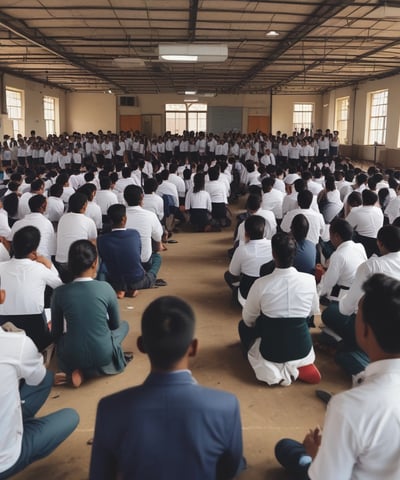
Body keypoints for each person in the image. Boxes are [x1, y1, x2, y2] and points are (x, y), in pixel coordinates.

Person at [89, 296, 245, 480]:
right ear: (193, 348)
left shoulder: (110, 408)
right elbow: (229, 469)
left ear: (141, 345)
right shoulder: (225, 406)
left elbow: (100, 475)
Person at [275, 274, 400, 480]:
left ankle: (307, 461)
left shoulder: (349, 406)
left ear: (365, 330)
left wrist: (317, 455)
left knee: (286, 448)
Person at [238, 232, 321, 386]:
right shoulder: (310, 281)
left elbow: (248, 319)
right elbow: (312, 312)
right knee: (298, 325)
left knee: (243, 326)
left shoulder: (261, 284)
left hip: (272, 350)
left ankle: (281, 370)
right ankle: (297, 366)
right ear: (295, 254)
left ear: (273, 254)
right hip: (301, 346)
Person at [0, 320, 79, 479]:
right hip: (5, 460)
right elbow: (38, 378)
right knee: (71, 416)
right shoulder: (15, 343)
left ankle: (15, 423)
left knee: (45, 379)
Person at [322, 225, 400, 378]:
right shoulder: (362, 253)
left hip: (372, 326)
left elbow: (346, 309)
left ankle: (365, 363)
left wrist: (342, 301)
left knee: (330, 313)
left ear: (380, 243)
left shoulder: (371, 266)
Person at [51, 240, 130, 387]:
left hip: (71, 354)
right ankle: (90, 371)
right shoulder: (106, 288)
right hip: (103, 352)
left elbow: (56, 334)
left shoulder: (59, 293)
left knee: (66, 342)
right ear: (95, 263)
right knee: (124, 326)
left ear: (70, 264)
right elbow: (114, 325)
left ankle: (79, 371)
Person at [0, 226, 62, 351]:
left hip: (4, 328)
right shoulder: (40, 268)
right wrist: (50, 265)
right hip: (35, 330)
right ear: (34, 251)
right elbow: (61, 287)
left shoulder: (1, 267)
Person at [97, 204, 166, 298]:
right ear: (124, 219)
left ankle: (120, 290)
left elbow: (104, 258)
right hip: (137, 281)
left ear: (110, 220)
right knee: (157, 258)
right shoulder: (134, 234)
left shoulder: (102, 239)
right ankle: (131, 289)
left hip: (114, 281)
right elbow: (138, 255)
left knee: (104, 267)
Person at [225, 215, 272, 306]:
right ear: (264, 232)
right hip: (268, 292)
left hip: (247, 292)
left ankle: (237, 295)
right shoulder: (273, 246)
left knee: (228, 275)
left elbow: (233, 273)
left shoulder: (241, 249)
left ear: (246, 233)